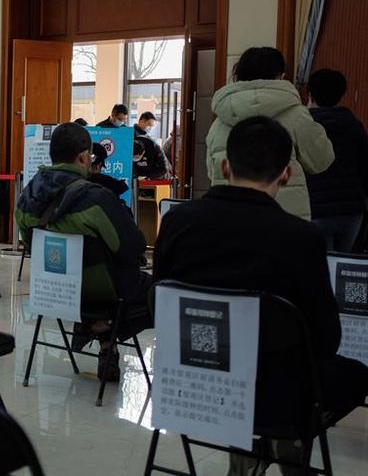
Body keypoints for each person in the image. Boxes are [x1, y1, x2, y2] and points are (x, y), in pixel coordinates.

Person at [154, 116, 368, 476]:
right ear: (285, 174)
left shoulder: (179, 220)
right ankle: (286, 439)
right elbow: (325, 338)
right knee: (355, 375)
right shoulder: (300, 237)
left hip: (193, 378)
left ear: (225, 165)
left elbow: (162, 297)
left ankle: (255, 446)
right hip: (275, 390)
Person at [15, 122, 152, 380]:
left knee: (98, 277)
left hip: (54, 290)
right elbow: (134, 247)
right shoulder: (97, 198)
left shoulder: (25, 196)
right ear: (82, 157)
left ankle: (95, 328)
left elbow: (32, 244)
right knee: (155, 291)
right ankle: (105, 329)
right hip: (103, 292)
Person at [206, 46, 334, 220]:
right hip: (284, 219)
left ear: (238, 75)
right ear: (280, 76)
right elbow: (321, 160)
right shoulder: (296, 115)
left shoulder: (220, 121)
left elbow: (211, 170)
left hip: (230, 218)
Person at [305, 69, 368, 252]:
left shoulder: (305, 127)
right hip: (350, 211)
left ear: (310, 95)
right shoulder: (353, 126)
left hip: (314, 208)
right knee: (341, 266)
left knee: (318, 269)